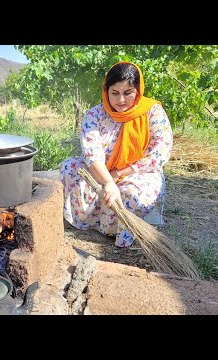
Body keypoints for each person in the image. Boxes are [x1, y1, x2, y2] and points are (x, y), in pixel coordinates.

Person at [60, 61, 173, 247]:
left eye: (128, 93)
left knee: (132, 195)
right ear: (106, 91)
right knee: (69, 168)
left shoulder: (152, 112)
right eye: (115, 93)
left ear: (138, 91)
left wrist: (119, 175)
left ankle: (119, 230)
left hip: (138, 173)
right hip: (101, 172)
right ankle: (93, 222)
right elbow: (92, 154)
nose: (121, 100)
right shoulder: (94, 115)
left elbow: (160, 153)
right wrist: (108, 182)